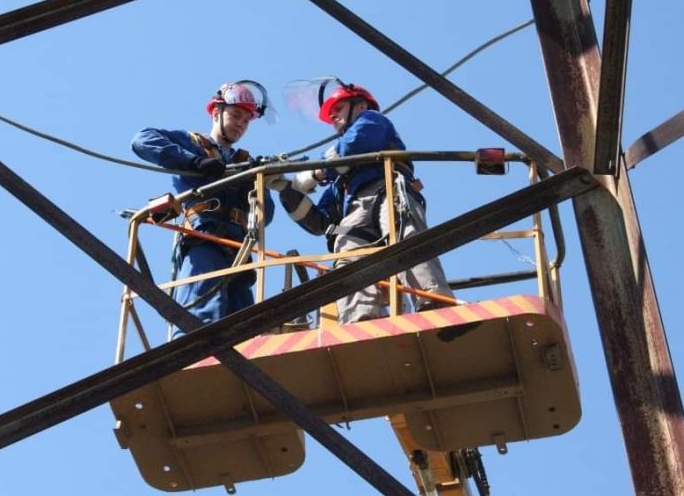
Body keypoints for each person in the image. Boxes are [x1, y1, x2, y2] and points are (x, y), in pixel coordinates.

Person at [270, 77, 454, 324]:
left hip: (388, 190)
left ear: (360, 105)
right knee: (346, 247)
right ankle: (360, 316)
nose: (333, 116)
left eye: (338, 109)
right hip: (356, 207)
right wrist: (286, 188)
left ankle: (432, 299)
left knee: (402, 235)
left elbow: (354, 145)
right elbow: (320, 223)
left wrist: (316, 172)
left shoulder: (373, 120)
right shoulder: (342, 181)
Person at [131, 81, 275, 333]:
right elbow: (142, 140)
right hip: (204, 237)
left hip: (238, 248)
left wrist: (255, 182)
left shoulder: (245, 163)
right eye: (236, 115)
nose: (241, 124)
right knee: (200, 315)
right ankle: (194, 349)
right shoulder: (194, 143)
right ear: (216, 112)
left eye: (246, 120)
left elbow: (266, 215)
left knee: (245, 325)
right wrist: (195, 162)